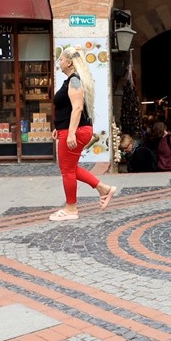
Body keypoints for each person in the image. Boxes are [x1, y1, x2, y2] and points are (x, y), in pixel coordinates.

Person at [50, 46, 116, 221]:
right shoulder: (72, 80)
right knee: (70, 168)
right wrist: (60, 128)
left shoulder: (74, 81)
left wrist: (71, 133)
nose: (60, 62)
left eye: (62, 59)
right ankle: (103, 189)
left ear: (69, 62)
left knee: (67, 171)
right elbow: (68, 108)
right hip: (71, 130)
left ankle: (71, 209)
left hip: (76, 131)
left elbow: (78, 108)